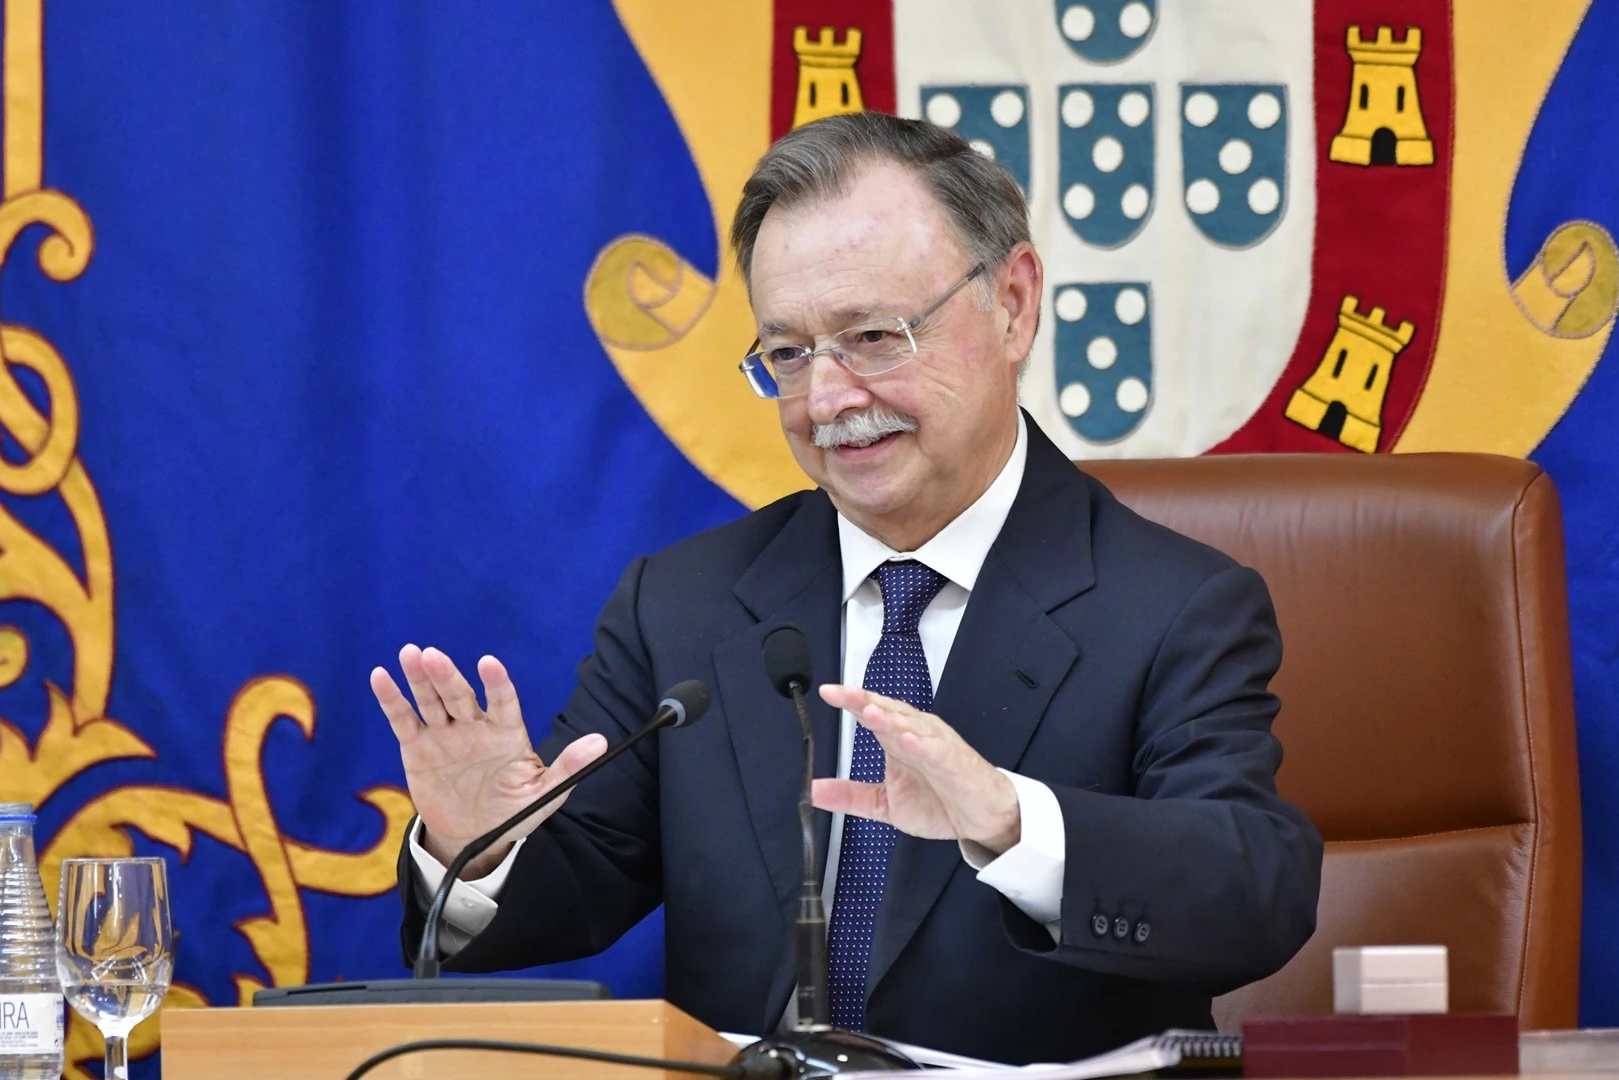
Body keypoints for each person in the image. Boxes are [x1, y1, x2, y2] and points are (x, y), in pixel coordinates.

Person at [374, 112, 1321, 1063]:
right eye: (788, 354)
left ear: (1014, 304)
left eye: (873, 336)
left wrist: (1008, 821)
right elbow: (569, 892)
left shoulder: (1175, 606)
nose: (827, 401)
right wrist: (481, 846)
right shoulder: (685, 604)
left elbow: (1252, 901)